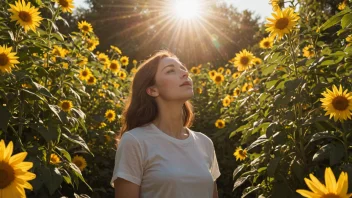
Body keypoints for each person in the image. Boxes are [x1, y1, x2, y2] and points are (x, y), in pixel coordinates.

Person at [111, 50, 221, 198]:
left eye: (183, 68)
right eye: (170, 71)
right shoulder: (135, 141)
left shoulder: (204, 143)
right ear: (152, 90)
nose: (185, 73)